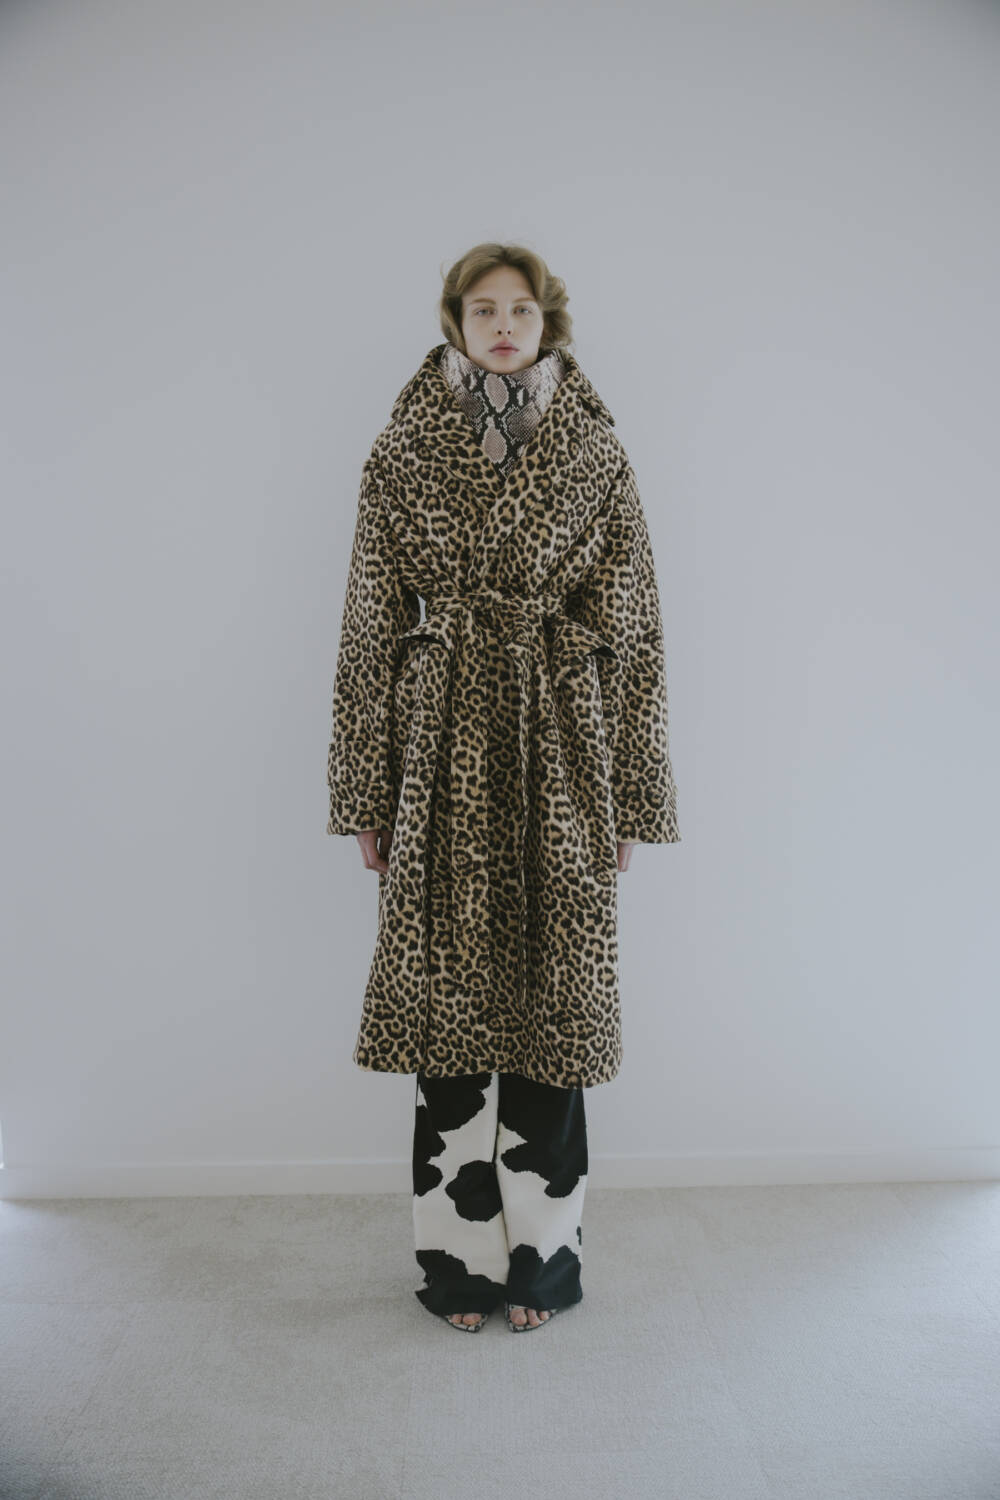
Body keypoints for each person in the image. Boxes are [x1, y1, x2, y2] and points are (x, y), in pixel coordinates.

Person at [326, 242, 681, 1332]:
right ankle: (455, 1263)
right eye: (482, 309)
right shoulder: (401, 450)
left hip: (561, 743)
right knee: (446, 1015)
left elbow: (634, 632)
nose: (502, 326)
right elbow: (368, 629)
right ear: (456, 321)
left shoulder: (596, 451)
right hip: (438, 747)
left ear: (546, 322)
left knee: (555, 1008)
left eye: (520, 309)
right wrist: (366, 793)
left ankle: (545, 1261)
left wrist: (632, 796)